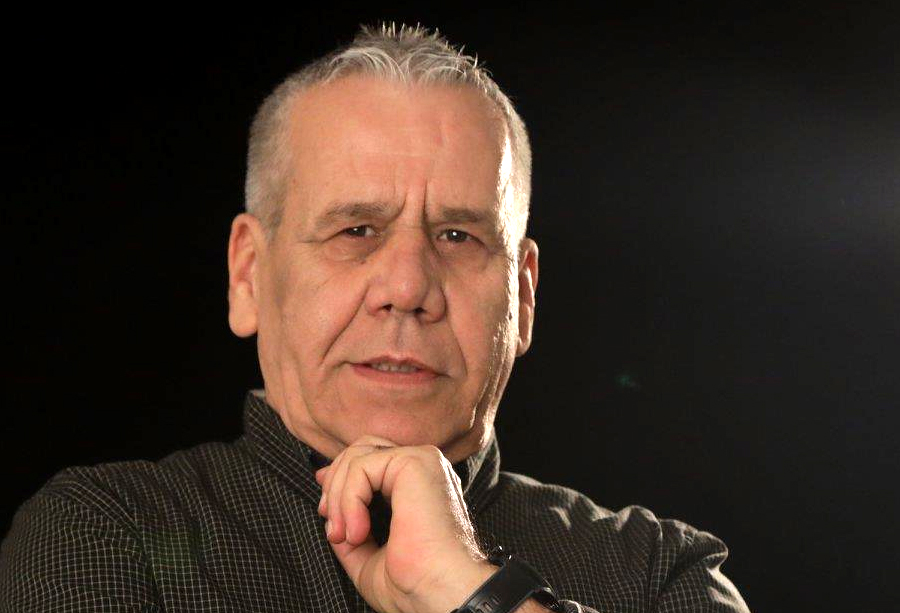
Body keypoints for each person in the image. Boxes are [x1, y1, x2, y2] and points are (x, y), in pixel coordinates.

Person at [0, 24, 750, 613]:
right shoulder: (104, 530)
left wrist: (468, 589)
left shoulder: (660, 571)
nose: (407, 286)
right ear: (249, 275)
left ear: (522, 297)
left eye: (457, 236)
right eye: (355, 230)